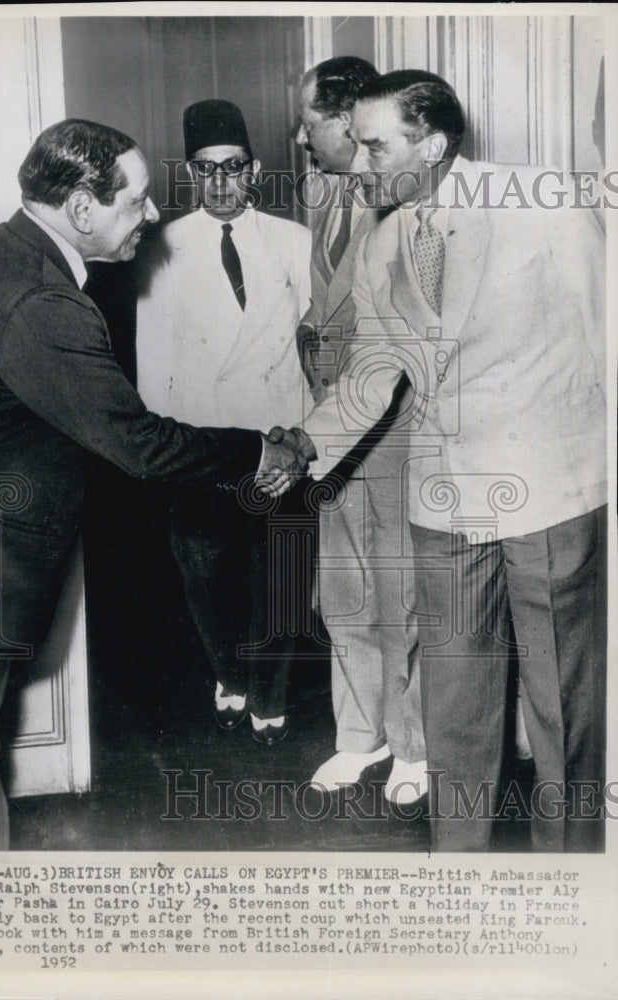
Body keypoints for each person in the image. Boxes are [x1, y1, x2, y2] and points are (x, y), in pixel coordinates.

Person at [0, 119, 307, 850]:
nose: (153, 216)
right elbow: (137, 443)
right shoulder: (43, 303)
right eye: (137, 202)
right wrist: (259, 449)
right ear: (83, 209)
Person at [287, 70, 606, 851]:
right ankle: (459, 873)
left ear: (429, 144)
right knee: (453, 708)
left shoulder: (543, 203)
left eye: (373, 146)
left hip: (551, 490)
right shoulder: (386, 239)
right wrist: (295, 449)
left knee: (558, 704)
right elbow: (373, 370)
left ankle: (570, 879)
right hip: (442, 503)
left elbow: (609, 332)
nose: (357, 165)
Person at [137, 100, 312, 744]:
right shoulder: (161, 247)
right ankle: (229, 676)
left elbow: (315, 351)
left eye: (232, 168)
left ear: (254, 170)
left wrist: (302, 437)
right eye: (205, 171)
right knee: (207, 573)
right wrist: (165, 458)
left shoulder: (294, 241)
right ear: (190, 175)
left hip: (280, 441)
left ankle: (270, 693)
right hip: (204, 444)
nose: (219, 183)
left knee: (281, 578)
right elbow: (153, 364)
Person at [295, 57, 427, 802]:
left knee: (401, 593)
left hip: (396, 427)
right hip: (333, 423)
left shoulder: (403, 204)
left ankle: (413, 748)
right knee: (340, 590)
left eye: (308, 119)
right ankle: (360, 735)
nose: (301, 135)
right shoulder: (322, 191)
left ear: (344, 120)